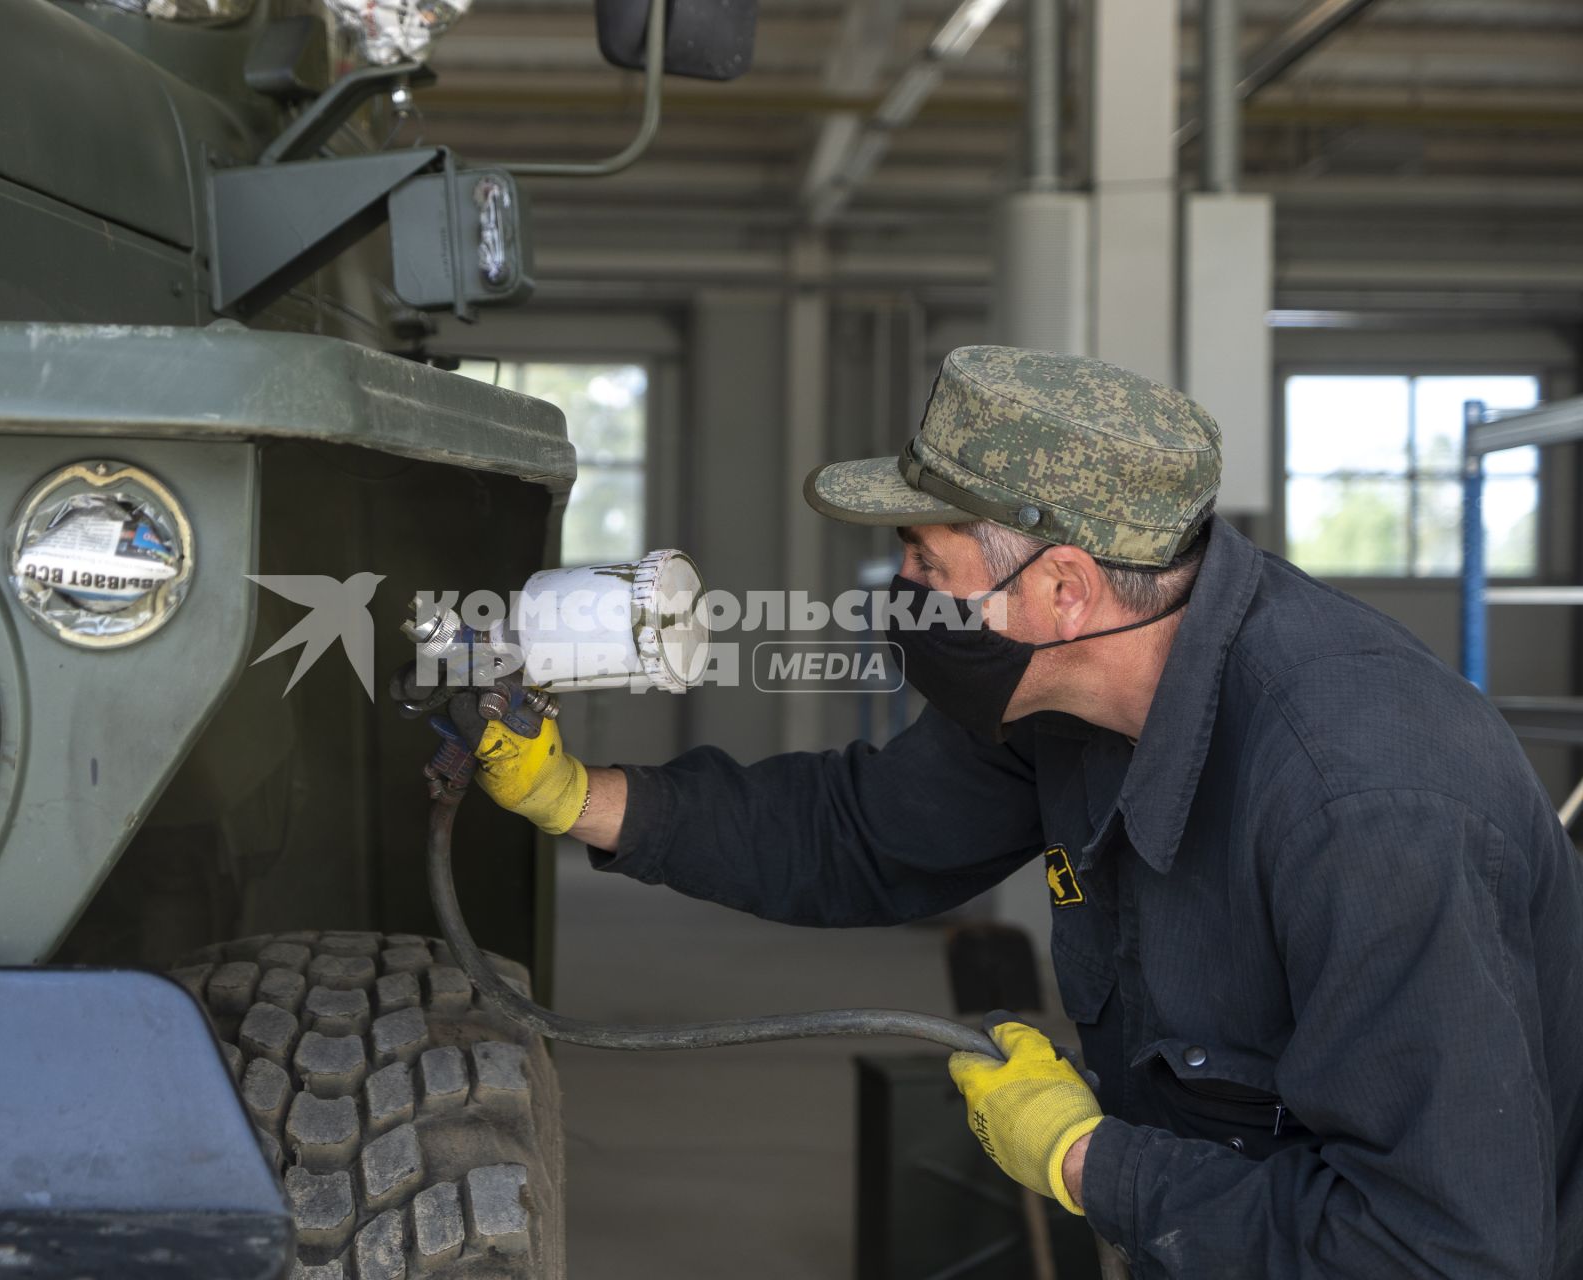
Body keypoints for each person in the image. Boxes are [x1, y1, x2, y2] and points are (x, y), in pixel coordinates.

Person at [472, 345, 1583, 1277]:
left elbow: (1442, 1249)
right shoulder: (1075, 692)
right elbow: (863, 834)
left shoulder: (1365, 807)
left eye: (925, 555)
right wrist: (586, 798)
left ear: (1062, 588)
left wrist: (1088, 1162)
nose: (897, 587)